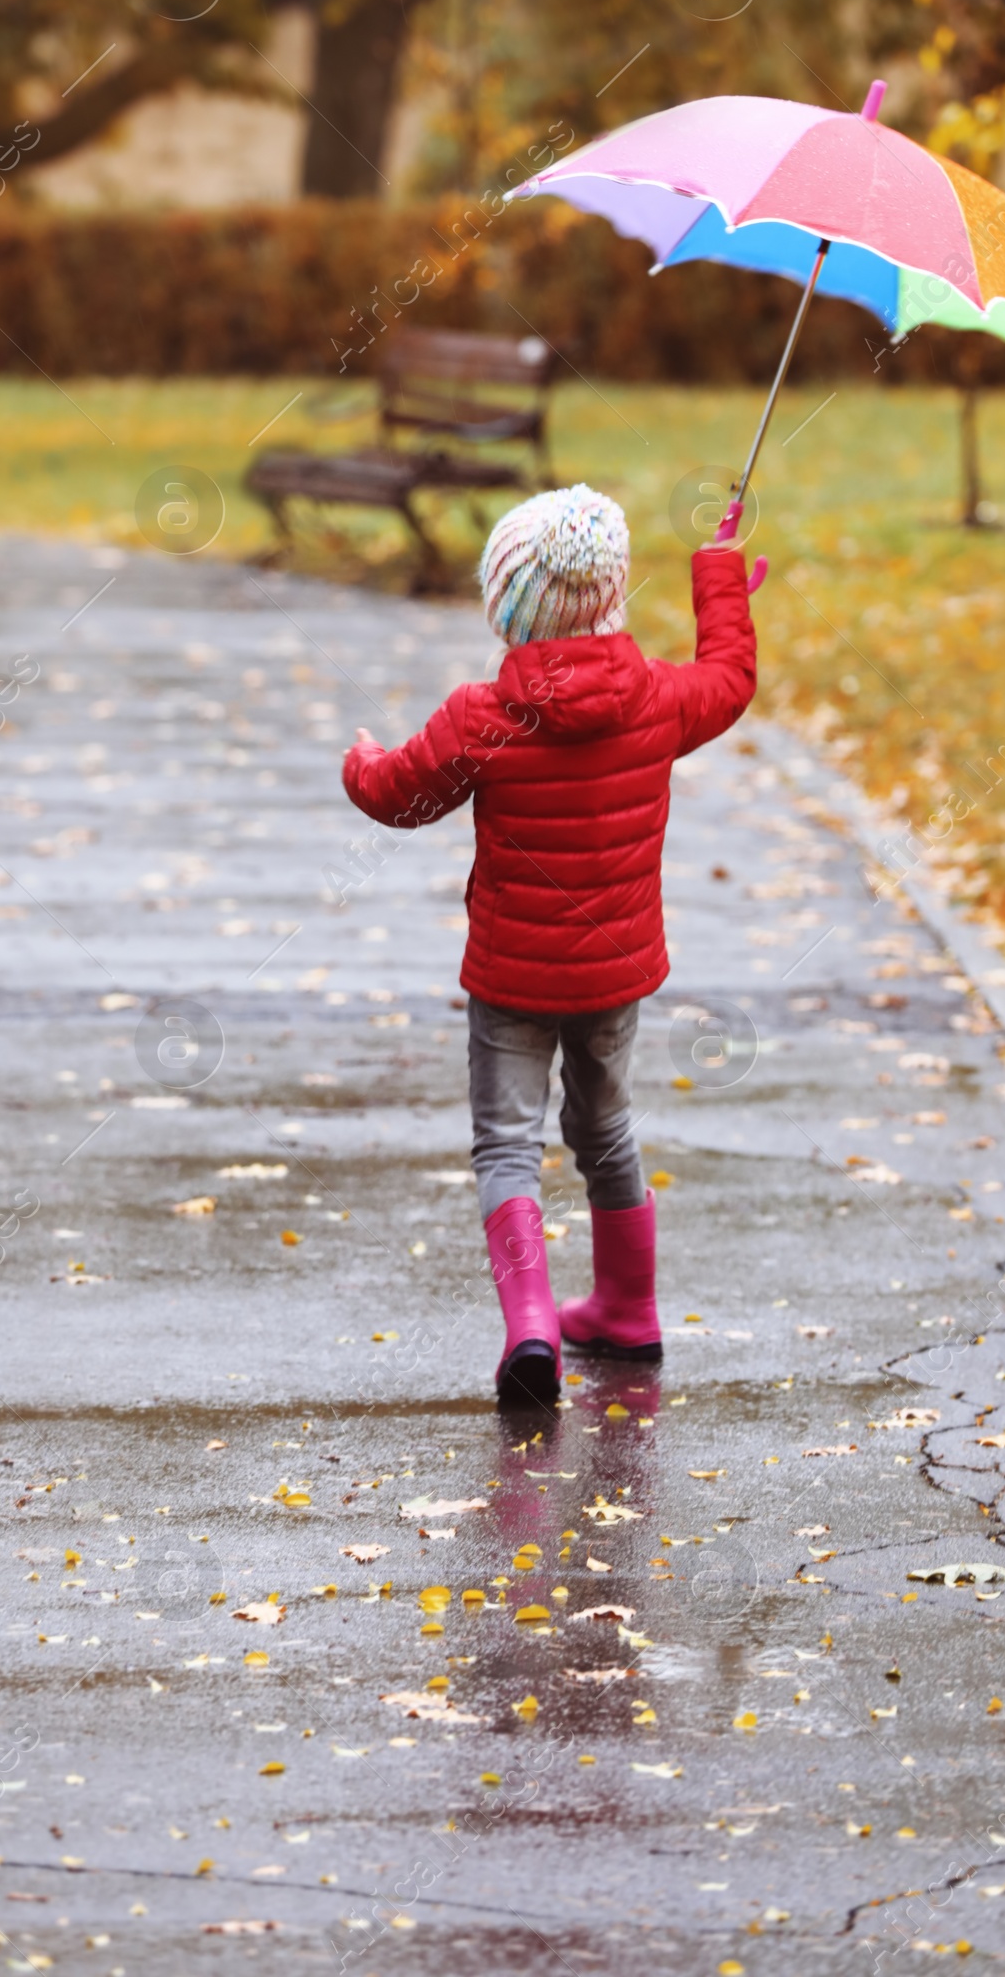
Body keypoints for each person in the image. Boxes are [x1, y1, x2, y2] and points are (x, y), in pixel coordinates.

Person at [342, 482, 764, 1407]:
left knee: (506, 1144)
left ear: (509, 607)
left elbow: (400, 796)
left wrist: (361, 762)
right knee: (604, 1127)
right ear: (613, 595)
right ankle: (628, 1308)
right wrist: (721, 575)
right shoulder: (655, 699)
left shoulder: (482, 717)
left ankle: (530, 1325)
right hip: (616, 975)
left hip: (512, 976)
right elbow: (731, 679)